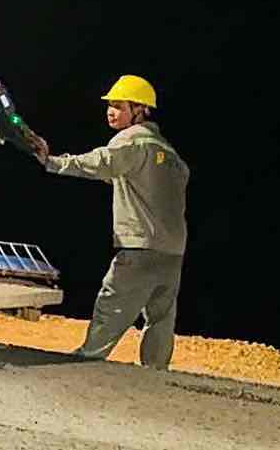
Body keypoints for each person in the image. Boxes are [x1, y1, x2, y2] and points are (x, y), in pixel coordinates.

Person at [33, 74, 189, 370]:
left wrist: (52, 161)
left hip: (140, 248)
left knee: (112, 304)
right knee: (161, 318)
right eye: (110, 105)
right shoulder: (171, 155)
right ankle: (156, 373)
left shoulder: (132, 140)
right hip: (172, 250)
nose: (111, 111)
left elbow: (101, 162)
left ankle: (88, 360)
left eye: (119, 106)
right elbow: (140, 184)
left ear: (140, 109)